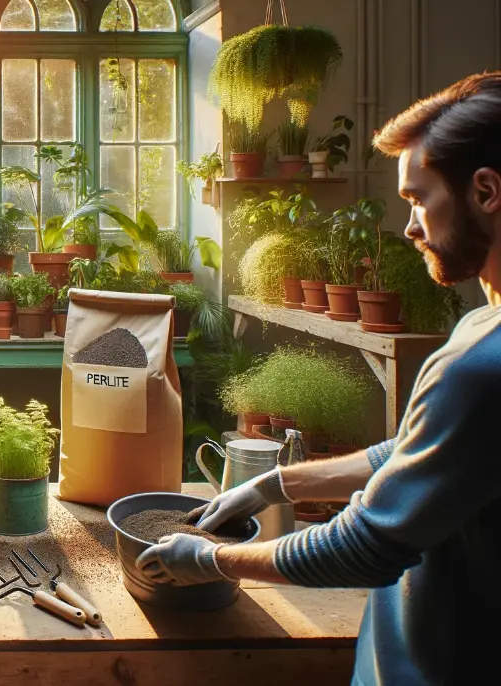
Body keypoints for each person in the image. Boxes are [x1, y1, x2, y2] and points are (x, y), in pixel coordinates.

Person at [135, 71, 501, 686]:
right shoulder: (479, 327)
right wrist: (279, 483)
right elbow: (421, 450)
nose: (410, 227)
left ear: (486, 191)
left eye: (418, 199)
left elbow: (364, 546)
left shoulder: (480, 363)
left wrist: (210, 558)